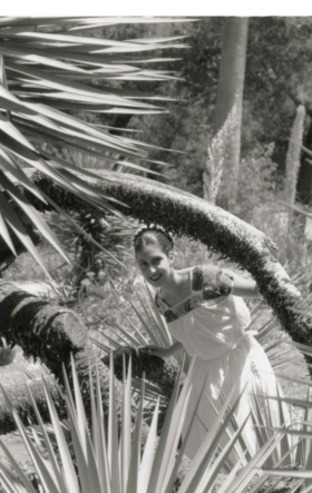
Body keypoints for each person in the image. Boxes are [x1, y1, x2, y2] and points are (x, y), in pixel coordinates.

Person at [133, 224, 290, 463]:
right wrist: (168, 351)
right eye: (143, 263)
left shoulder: (205, 278)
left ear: (171, 257)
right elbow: (191, 335)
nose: (151, 270)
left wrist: (268, 261)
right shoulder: (161, 300)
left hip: (241, 363)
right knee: (210, 449)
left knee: (250, 435)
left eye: (156, 260)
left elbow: (258, 290)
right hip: (204, 375)